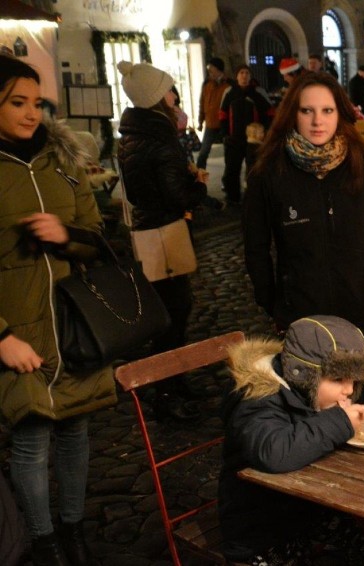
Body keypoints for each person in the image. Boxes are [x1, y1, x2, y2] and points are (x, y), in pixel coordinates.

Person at [0, 54, 117, 566]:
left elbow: (99, 238)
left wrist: (66, 235)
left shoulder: (62, 160)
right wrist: (1, 337)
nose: (32, 114)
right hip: (19, 332)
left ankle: (74, 531)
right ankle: (45, 543)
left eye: (37, 102)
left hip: (74, 325)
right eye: (17, 102)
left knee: (75, 431)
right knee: (31, 439)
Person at [243, 72, 364, 396]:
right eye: (307, 111)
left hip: (361, 313)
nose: (318, 121)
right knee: (310, 409)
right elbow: (255, 244)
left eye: (327, 110)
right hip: (302, 315)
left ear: (340, 112)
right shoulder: (270, 172)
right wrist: (272, 300)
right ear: (292, 114)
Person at [218, 315, 364, 564]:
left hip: (304, 507)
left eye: (353, 381)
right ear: (304, 375)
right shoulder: (258, 399)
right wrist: (338, 423)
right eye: (338, 380)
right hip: (259, 527)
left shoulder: (304, 392)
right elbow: (274, 451)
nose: (348, 390)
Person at [116, 61, 208, 421]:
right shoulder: (160, 140)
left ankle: (174, 379)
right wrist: (198, 184)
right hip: (165, 233)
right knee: (174, 312)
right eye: (170, 89)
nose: (175, 95)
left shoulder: (134, 137)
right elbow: (179, 197)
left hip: (148, 230)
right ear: (158, 98)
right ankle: (167, 388)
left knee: (170, 310)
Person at [219, 65, 272, 206]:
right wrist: (224, 134)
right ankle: (233, 197)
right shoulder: (229, 92)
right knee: (232, 169)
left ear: (250, 76)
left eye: (247, 73)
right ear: (237, 76)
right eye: (241, 72)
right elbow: (222, 114)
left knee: (254, 170)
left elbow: (270, 113)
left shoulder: (258, 92)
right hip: (234, 139)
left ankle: (253, 198)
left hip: (253, 141)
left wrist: (265, 132)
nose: (244, 75)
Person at [196, 56, 231, 170]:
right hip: (210, 124)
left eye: (211, 68)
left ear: (218, 69)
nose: (209, 71)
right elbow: (202, 102)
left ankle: (227, 180)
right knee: (203, 153)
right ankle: (199, 178)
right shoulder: (207, 84)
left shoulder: (228, 85)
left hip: (225, 124)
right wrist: (200, 121)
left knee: (228, 154)